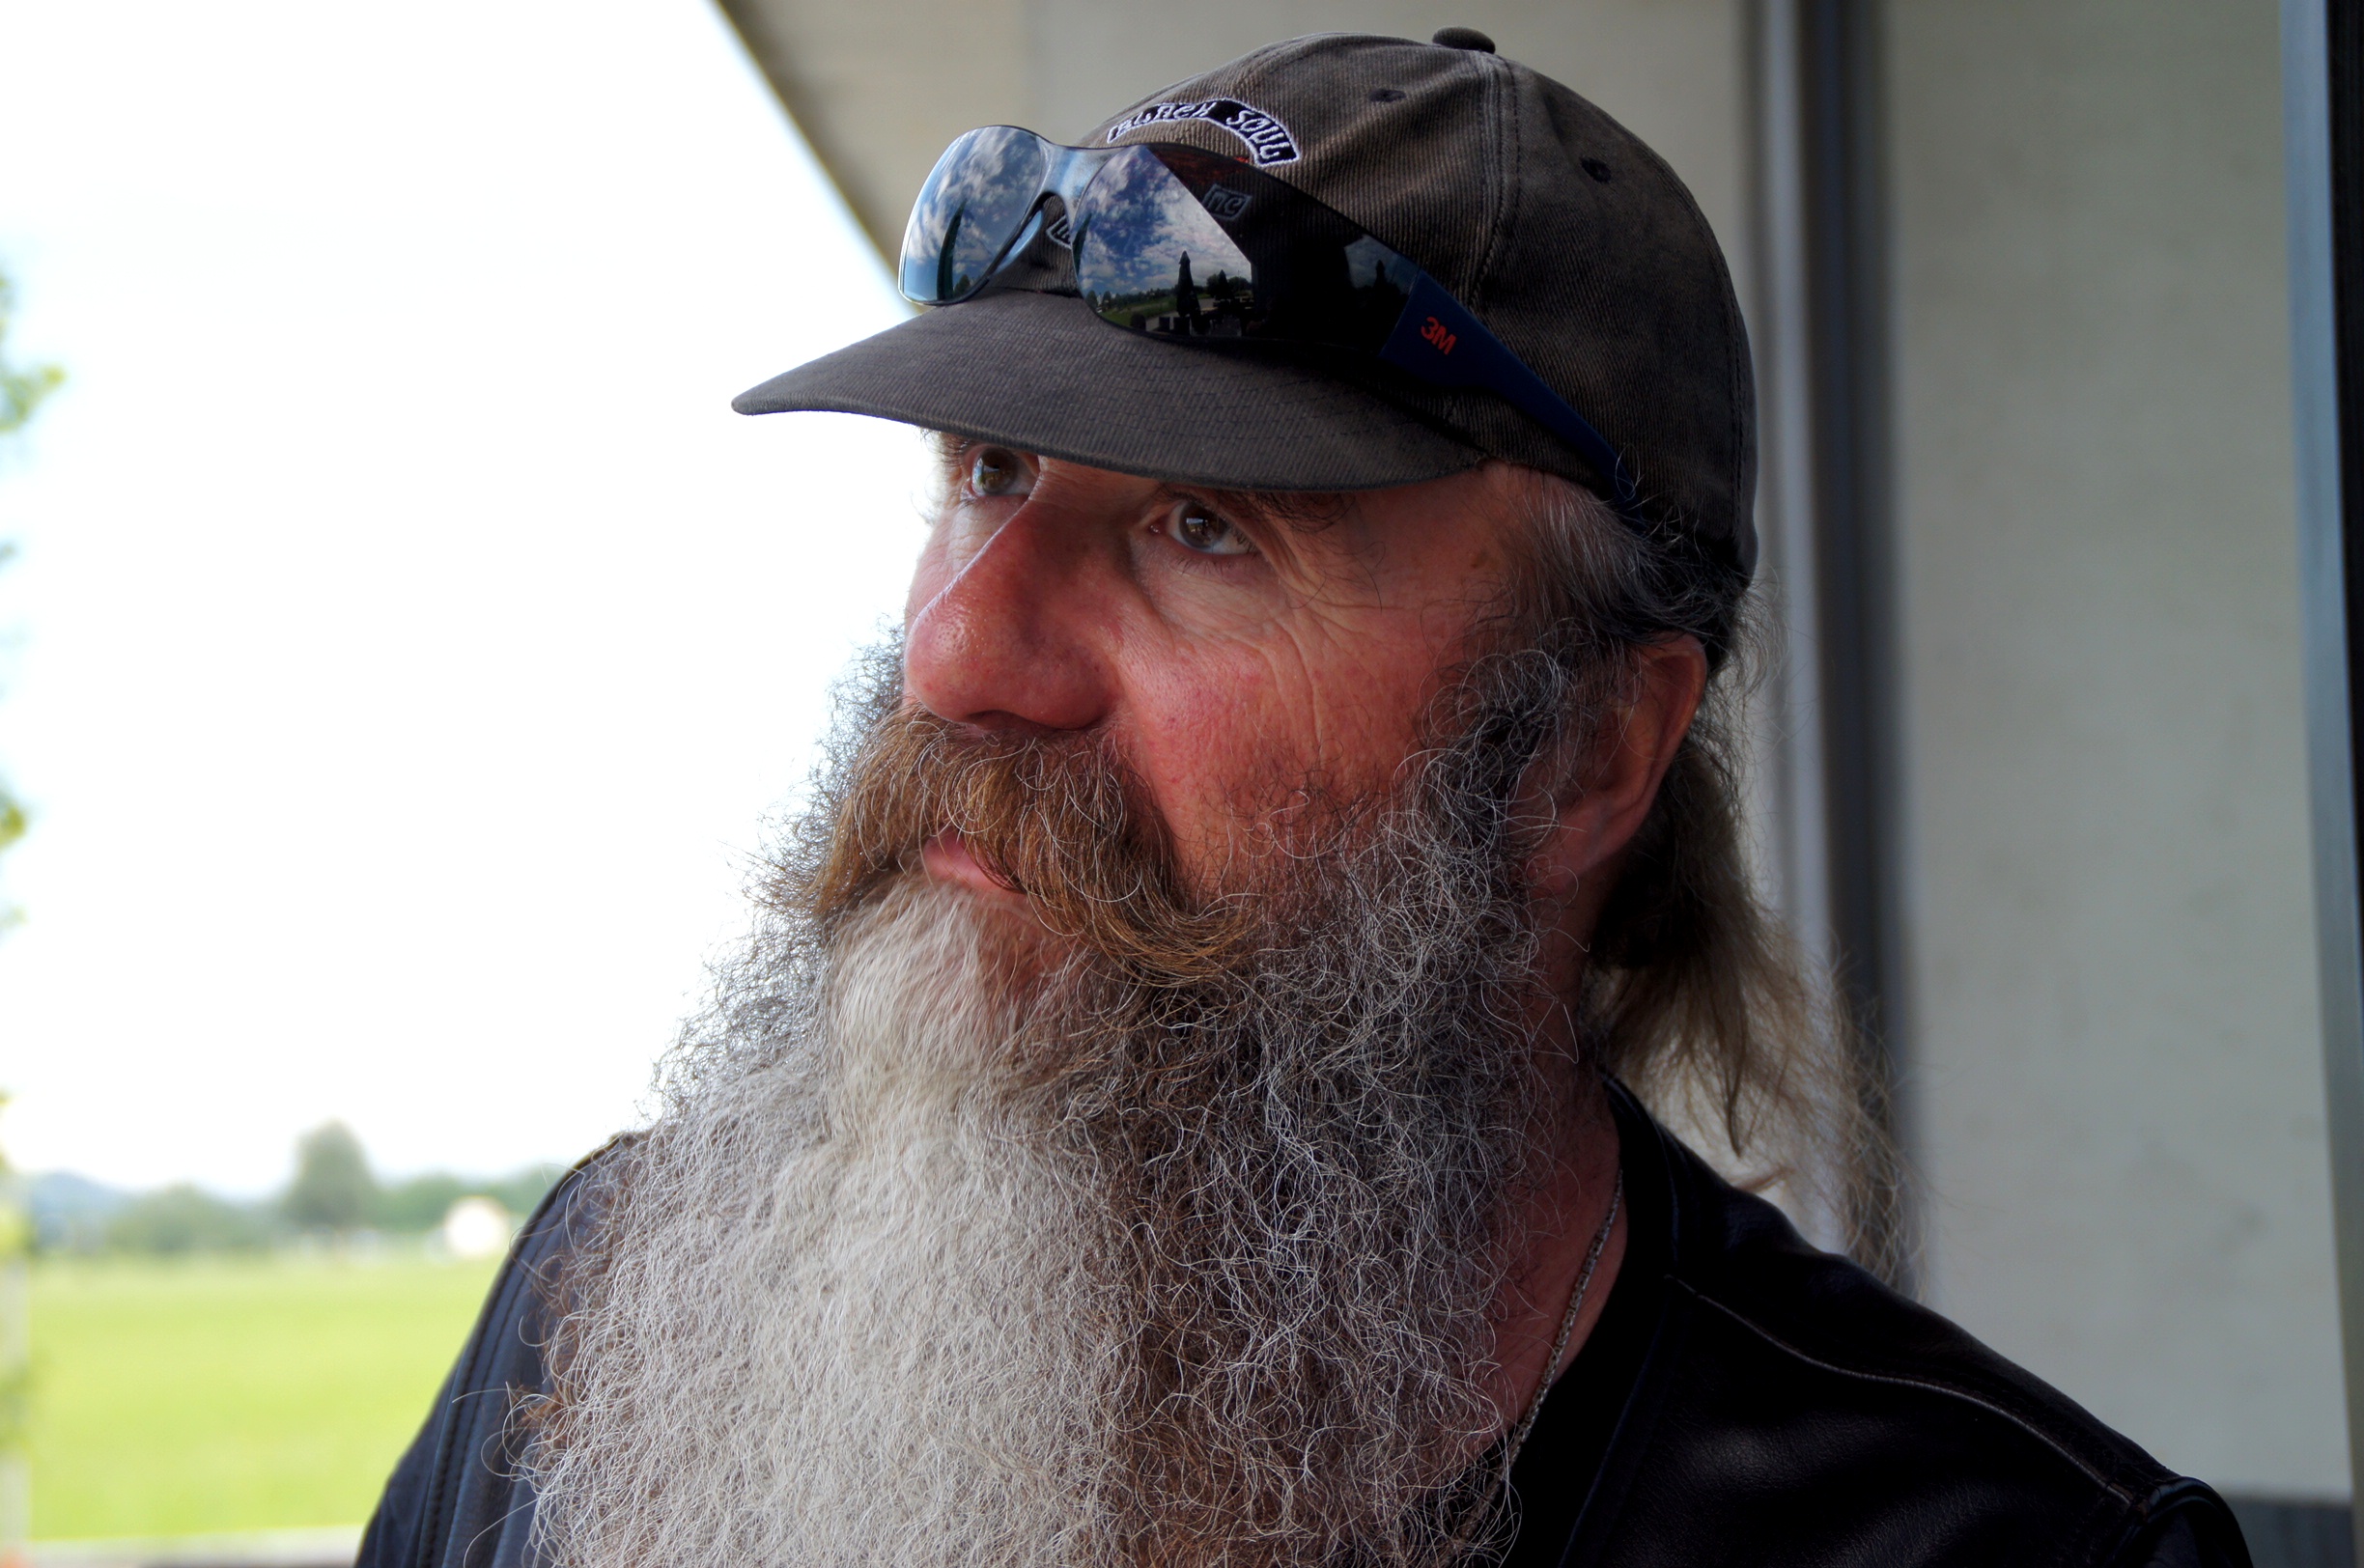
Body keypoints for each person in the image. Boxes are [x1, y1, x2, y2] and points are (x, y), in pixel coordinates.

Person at [359, 29, 2253, 1568]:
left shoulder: (1984, 1545)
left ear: (1585, 754)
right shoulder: (602, 1317)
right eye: (989, 473)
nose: (958, 652)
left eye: (1203, 527)